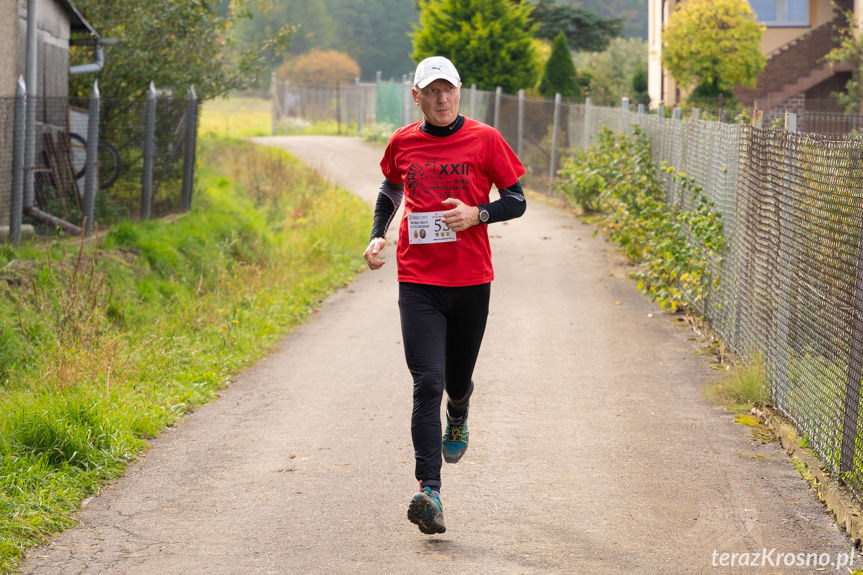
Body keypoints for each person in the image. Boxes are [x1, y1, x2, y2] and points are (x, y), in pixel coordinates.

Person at [363, 56, 527, 535]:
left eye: (448, 90)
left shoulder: (485, 139)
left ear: (459, 92)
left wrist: (478, 214)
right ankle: (428, 491)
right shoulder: (403, 141)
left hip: (472, 281)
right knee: (426, 383)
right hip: (418, 282)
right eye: (431, 91)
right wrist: (378, 234)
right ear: (416, 96)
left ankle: (460, 410)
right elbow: (392, 187)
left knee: (456, 381)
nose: (441, 99)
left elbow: (516, 200)